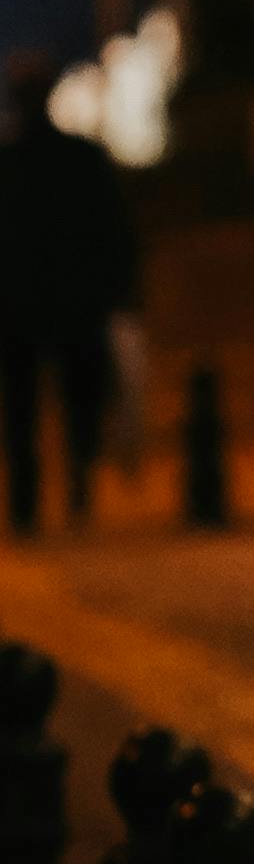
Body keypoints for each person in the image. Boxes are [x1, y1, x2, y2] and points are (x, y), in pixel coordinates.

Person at [0, 52, 137, 539]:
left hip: (24, 306)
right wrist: (120, 292)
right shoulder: (80, 158)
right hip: (71, 303)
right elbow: (114, 230)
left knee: (23, 409)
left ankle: (26, 503)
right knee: (76, 401)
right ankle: (72, 485)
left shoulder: (12, 162)